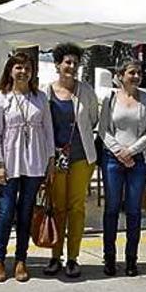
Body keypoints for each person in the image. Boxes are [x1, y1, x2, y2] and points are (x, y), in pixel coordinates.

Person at [0, 52, 55, 283]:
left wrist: (50, 161)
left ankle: (21, 260)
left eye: (27, 68)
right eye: (18, 67)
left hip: (35, 163)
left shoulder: (40, 98)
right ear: (10, 70)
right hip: (9, 163)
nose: (23, 72)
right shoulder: (1, 98)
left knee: (27, 212)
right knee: (6, 212)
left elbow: (48, 131)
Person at [43, 43, 99, 278]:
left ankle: (73, 258)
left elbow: (94, 119)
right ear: (57, 65)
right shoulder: (46, 91)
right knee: (57, 208)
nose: (72, 67)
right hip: (55, 159)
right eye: (67, 62)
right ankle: (55, 256)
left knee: (76, 209)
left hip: (81, 157)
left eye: (75, 63)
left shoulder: (86, 91)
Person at [98, 59, 146, 277]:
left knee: (134, 210)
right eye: (131, 72)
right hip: (113, 160)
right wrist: (119, 152)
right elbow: (103, 130)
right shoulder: (110, 98)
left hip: (139, 160)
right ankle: (109, 257)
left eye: (139, 73)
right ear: (121, 75)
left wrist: (130, 152)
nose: (136, 76)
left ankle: (131, 258)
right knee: (111, 209)